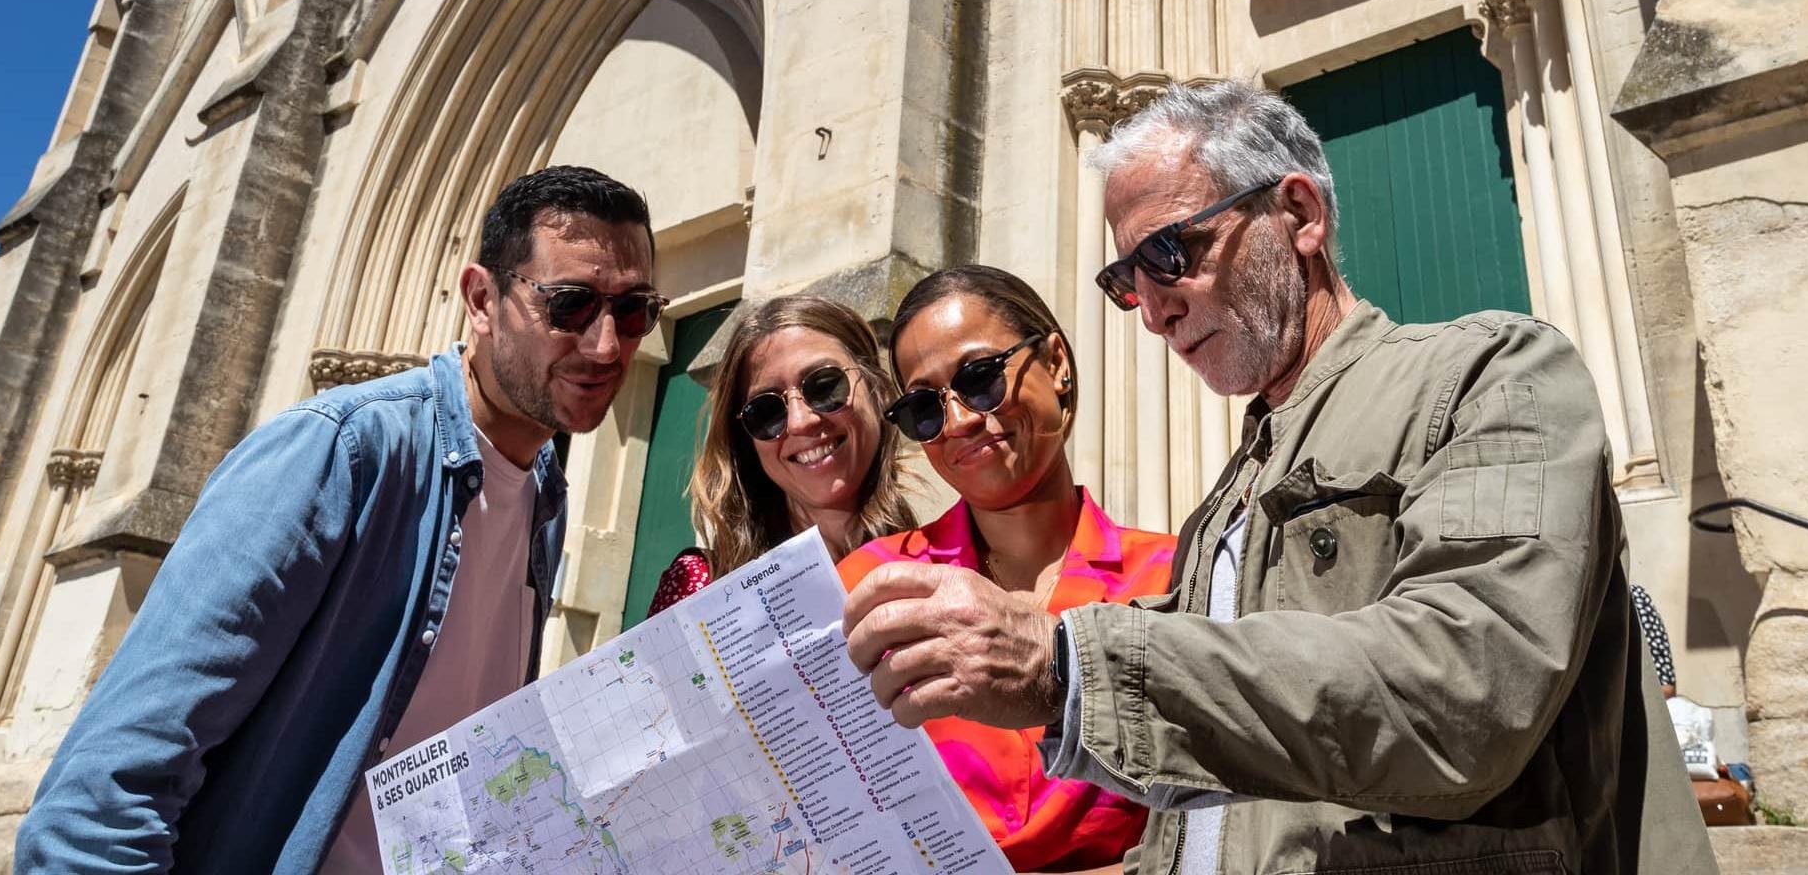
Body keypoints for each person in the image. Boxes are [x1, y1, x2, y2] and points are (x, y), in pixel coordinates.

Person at [842, 82, 1716, 873]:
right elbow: (1214, 818)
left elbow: (1468, 686)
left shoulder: (1491, 373)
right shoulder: (1225, 501)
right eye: (1126, 280)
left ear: (1298, 213)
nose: (1152, 310)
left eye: (1171, 254)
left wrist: (1065, 662)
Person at [16, 166, 662, 873]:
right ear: (481, 298)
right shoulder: (341, 451)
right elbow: (98, 801)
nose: (607, 347)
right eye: (570, 305)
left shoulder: (545, 494)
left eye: (633, 312)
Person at [839, 265, 1175, 875]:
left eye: (980, 378)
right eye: (923, 408)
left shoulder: (1175, 576)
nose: (961, 419)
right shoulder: (874, 587)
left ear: (1058, 363)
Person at [646, 295, 917, 615]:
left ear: (879, 390)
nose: (800, 421)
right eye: (766, 412)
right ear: (746, 442)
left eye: (825, 385)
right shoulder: (702, 594)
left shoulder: (946, 561)